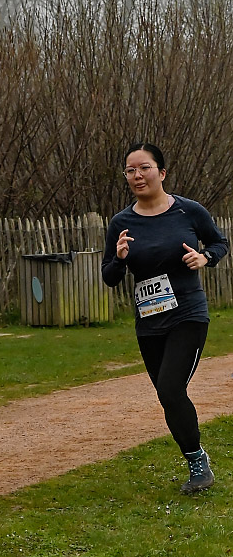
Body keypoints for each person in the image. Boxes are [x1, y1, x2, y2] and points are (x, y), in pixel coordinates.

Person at [102, 142, 229, 493]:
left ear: (161, 172)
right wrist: (120, 259)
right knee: (166, 393)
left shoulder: (188, 211)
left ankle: (198, 464)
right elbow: (109, 277)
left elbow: (219, 243)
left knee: (172, 389)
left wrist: (204, 258)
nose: (137, 176)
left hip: (188, 314)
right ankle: (195, 457)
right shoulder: (121, 223)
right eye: (130, 170)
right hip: (149, 321)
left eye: (144, 168)